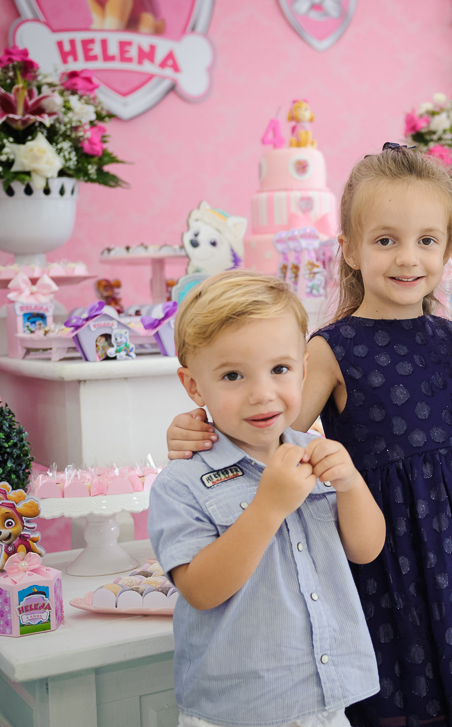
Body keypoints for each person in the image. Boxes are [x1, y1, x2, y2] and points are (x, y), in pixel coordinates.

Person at [166, 146, 452, 727]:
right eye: (385, 240)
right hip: (390, 546)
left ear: (449, 248)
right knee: (407, 693)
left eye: (427, 241)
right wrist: (192, 429)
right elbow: (269, 428)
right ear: (348, 248)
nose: (408, 258)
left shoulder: (447, 334)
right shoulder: (331, 347)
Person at [149, 270, 386, 727]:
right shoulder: (182, 483)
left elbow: (366, 548)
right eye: (233, 375)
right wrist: (268, 507)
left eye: (279, 369)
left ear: (302, 367)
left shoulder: (315, 453)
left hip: (326, 697)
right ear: (195, 386)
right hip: (241, 709)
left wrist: (352, 484)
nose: (262, 394)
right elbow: (200, 590)